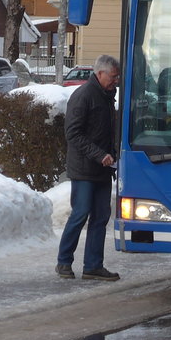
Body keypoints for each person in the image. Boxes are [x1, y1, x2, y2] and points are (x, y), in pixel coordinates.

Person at [56, 54, 121, 282]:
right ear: (100, 73)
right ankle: (64, 261)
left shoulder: (107, 96)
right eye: (113, 76)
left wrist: (112, 154)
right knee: (81, 213)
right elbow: (72, 133)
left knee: (101, 217)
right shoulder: (83, 96)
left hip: (103, 168)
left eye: (117, 77)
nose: (116, 81)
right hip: (84, 169)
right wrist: (99, 154)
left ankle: (93, 266)